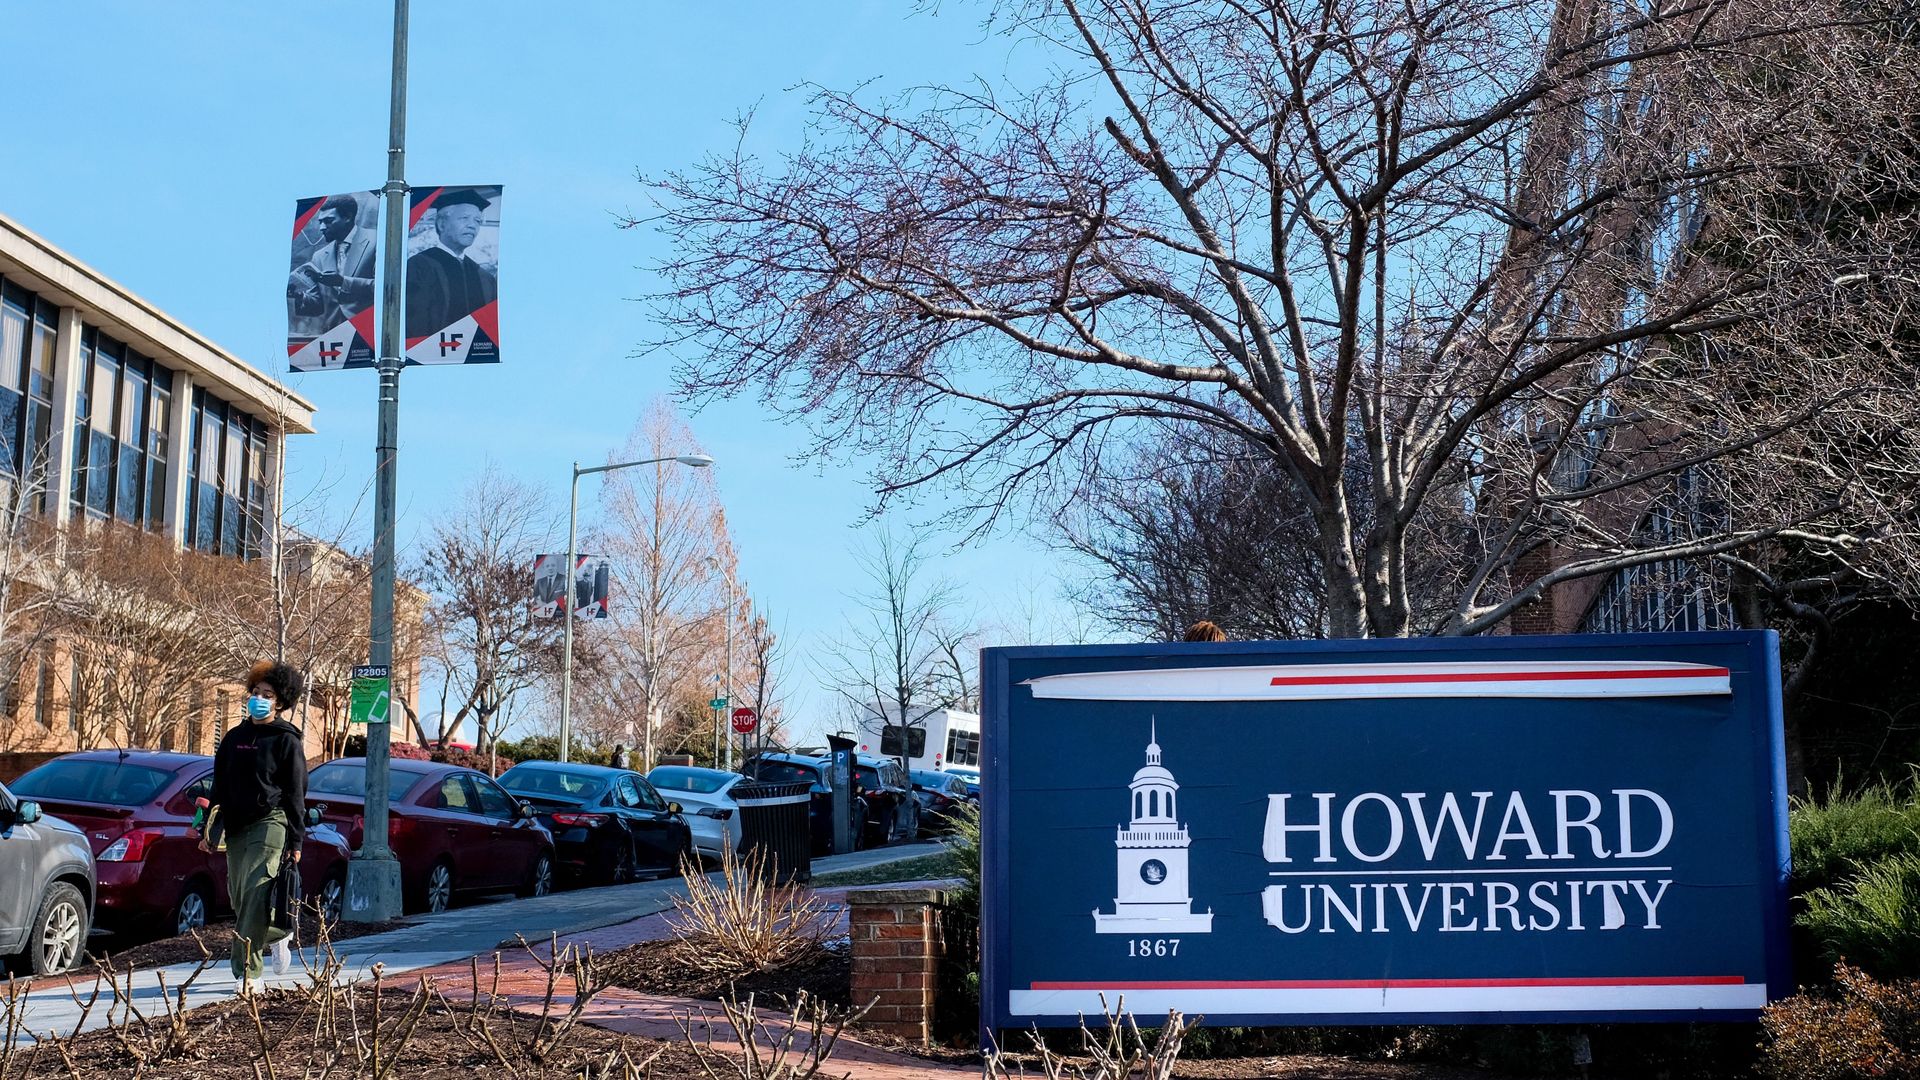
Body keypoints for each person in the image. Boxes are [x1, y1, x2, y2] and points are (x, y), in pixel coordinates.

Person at [201, 661, 308, 989]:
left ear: (280, 701)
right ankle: (278, 934)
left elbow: (295, 792)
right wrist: (209, 829)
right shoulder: (234, 738)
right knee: (240, 899)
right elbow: (218, 787)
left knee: (257, 891)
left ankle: (248, 973)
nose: (259, 698)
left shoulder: (286, 740)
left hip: (271, 823)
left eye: (268, 694)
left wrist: (297, 840)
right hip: (236, 825)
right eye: (256, 692)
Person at [405, 189, 496, 340]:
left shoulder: (484, 276)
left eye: (477, 220)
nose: (472, 225)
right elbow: (414, 323)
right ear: (442, 224)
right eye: (464, 218)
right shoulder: (418, 266)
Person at [287, 194, 375, 335]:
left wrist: (343, 282)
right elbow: (317, 307)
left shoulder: (376, 241)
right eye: (320, 221)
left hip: (370, 332)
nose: (322, 227)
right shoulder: (320, 256)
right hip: (334, 335)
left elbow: (387, 288)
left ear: (347, 217)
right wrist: (298, 295)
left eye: (328, 221)